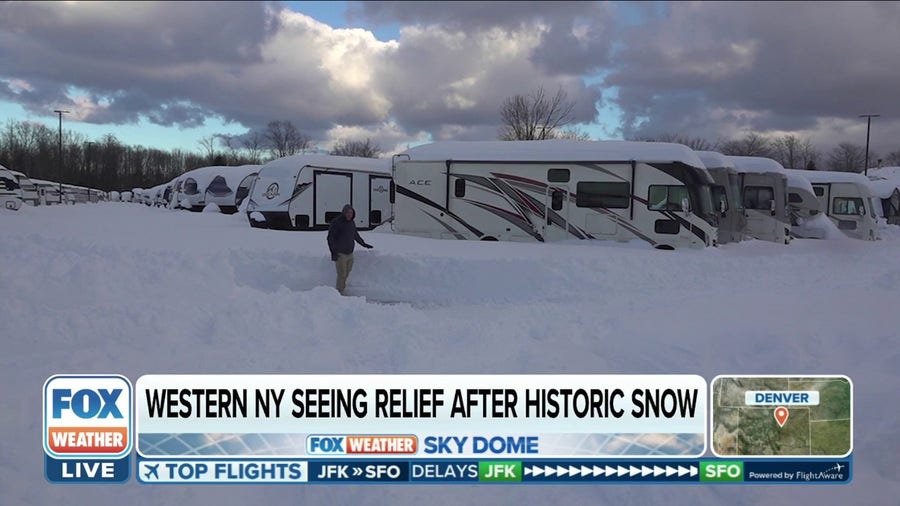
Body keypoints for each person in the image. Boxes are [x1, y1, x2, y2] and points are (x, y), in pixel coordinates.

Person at [327, 204, 373, 294]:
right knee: (342, 274)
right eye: (347, 212)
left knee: (347, 272)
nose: (349, 214)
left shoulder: (351, 223)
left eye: (351, 213)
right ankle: (339, 292)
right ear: (344, 213)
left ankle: (341, 288)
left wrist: (364, 244)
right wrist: (333, 252)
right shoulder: (336, 222)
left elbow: (355, 235)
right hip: (340, 254)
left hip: (350, 254)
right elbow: (330, 238)